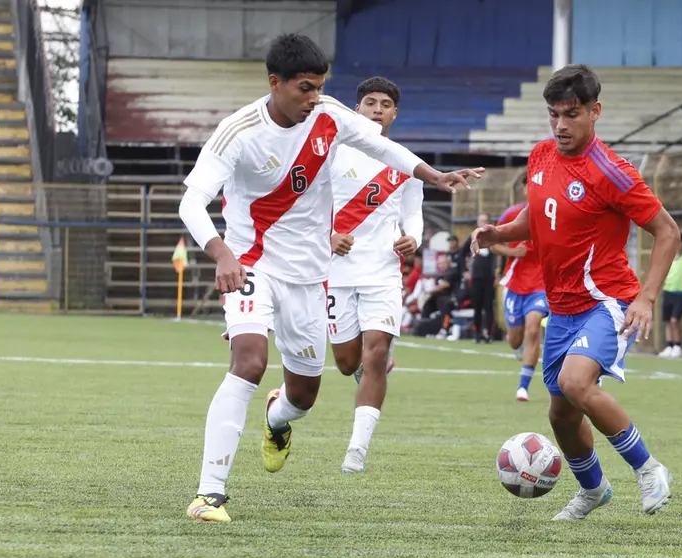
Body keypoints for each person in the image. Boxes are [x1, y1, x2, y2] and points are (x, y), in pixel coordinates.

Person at [178, 33, 481, 523]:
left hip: (311, 276)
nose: (313, 97)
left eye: (319, 86)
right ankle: (209, 493)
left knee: (303, 395)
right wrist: (221, 254)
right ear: (275, 83)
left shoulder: (329, 114)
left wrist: (436, 176)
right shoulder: (238, 132)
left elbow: (386, 150)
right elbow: (191, 202)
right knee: (250, 362)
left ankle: (278, 422)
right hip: (252, 263)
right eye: (304, 88)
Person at [471, 64, 681, 521]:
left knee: (574, 383)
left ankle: (649, 469)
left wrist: (645, 297)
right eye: (553, 115)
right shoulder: (542, 155)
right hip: (562, 307)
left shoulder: (613, 172)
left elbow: (667, 232)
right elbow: (539, 212)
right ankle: (593, 489)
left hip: (609, 301)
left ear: (594, 111)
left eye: (571, 114)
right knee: (560, 417)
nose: (561, 125)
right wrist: (498, 233)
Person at [304, 76, 425, 474]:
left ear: (395, 112)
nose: (377, 108)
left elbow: (413, 214)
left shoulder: (404, 160)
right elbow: (308, 205)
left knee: (375, 356)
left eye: (385, 103)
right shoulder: (333, 153)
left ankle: (357, 449)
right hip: (335, 271)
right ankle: (362, 369)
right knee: (345, 362)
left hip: (383, 272)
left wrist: (414, 239)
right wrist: (329, 236)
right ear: (356, 109)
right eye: (369, 102)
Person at [494, 180, 548, 402]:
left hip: (541, 284)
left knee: (534, 328)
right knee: (515, 340)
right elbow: (493, 243)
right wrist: (512, 251)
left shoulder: (554, 215)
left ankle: (523, 387)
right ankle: (519, 347)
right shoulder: (513, 214)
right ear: (526, 189)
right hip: (516, 285)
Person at [658, 232, 682, 358]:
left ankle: (677, 345)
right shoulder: (669, 255)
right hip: (669, 290)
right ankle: (669, 345)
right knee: (667, 320)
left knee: (675, 320)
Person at [462, 212, 497, 342]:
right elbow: (461, 254)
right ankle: (476, 333)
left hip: (489, 277)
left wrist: (499, 273)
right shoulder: (472, 238)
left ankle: (488, 333)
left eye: (485, 221)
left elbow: (502, 254)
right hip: (476, 277)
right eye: (480, 221)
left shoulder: (493, 237)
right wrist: (464, 270)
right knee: (477, 306)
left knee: (488, 306)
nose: (482, 223)